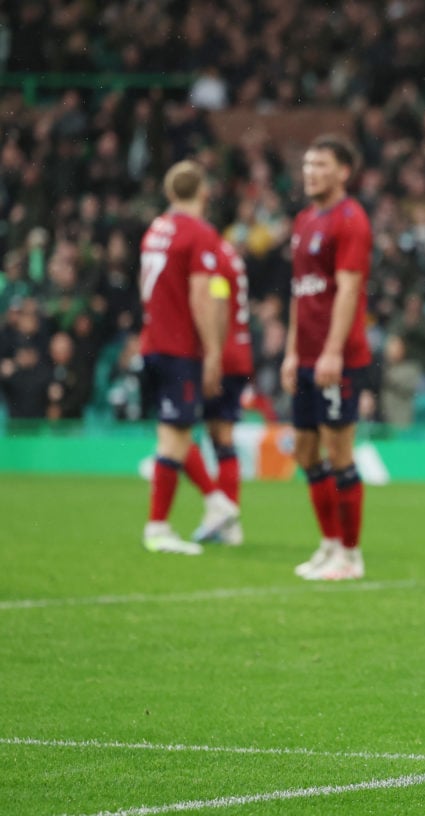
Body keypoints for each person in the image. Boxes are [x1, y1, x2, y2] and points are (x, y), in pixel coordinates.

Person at [283, 135, 373, 581]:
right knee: (304, 450)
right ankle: (330, 543)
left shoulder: (350, 219)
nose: (311, 172)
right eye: (307, 164)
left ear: (343, 172)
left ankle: (351, 556)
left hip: (340, 357)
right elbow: (299, 294)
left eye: (320, 164)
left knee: (338, 450)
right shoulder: (303, 221)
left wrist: (333, 351)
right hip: (306, 357)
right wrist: (290, 352)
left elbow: (349, 287)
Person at [138, 160, 228, 555]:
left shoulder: (156, 229)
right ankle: (158, 527)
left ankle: (215, 501)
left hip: (153, 342)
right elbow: (200, 296)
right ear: (204, 192)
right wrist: (212, 351)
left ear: (170, 193)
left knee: (172, 433)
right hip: (178, 348)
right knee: (175, 439)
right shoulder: (200, 233)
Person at [184, 238, 254, 546]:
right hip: (240, 351)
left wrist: (213, 353)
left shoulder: (214, 258)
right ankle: (229, 526)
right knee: (223, 439)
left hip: (221, 354)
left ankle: (219, 505)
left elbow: (219, 301)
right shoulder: (232, 257)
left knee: (177, 432)